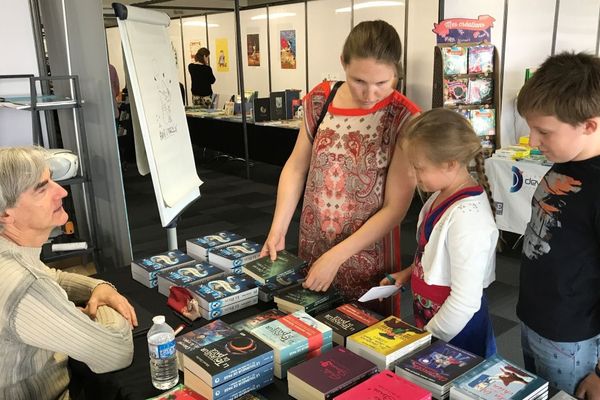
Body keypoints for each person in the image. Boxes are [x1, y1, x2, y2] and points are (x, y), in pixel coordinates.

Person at [261, 20, 419, 314]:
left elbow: (396, 208)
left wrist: (336, 257)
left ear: (396, 73)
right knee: (310, 332)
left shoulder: (404, 118)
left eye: (382, 84)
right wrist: (278, 228)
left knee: (361, 342)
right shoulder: (321, 99)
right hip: (313, 243)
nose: (369, 94)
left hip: (366, 259)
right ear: (343, 64)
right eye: (359, 81)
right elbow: (296, 167)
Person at [0, 146, 136, 399]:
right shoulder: (24, 285)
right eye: (42, 188)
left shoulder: (10, 252)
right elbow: (115, 353)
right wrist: (106, 307)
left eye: (52, 179)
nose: (61, 191)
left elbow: (51, 276)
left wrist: (99, 288)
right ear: (6, 213)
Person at [515, 52, 600, 398]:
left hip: (573, 341)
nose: (533, 142)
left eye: (544, 131)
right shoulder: (567, 159)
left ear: (589, 125)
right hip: (535, 319)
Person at [380, 108, 498, 358]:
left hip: (457, 332)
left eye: (419, 167)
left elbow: (465, 301)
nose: (413, 174)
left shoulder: (467, 218)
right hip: (432, 319)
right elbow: (435, 255)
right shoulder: (440, 195)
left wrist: (426, 340)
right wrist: (406, 274)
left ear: (450, 164)